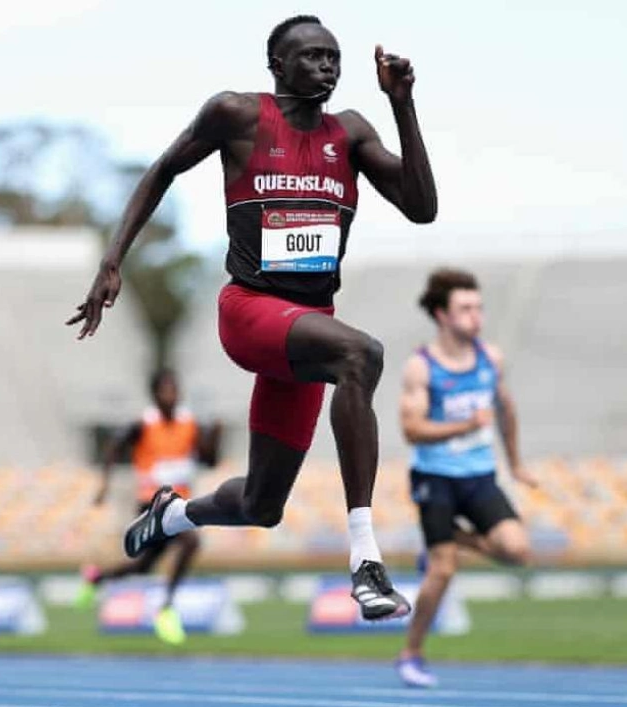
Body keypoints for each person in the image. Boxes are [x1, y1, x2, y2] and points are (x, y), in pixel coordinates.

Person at [67, 14, 436, 618]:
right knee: (361, 355)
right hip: (251, 312)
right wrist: (113, 261)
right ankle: (366, 561)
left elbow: (421, 207)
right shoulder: (236, 115)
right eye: (313, 56)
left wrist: (403, 106)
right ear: (278, 66)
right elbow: (162, 169)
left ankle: (173, 513)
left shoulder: (352, 133)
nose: (327, 67)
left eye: (334, 58)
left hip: (308, 325)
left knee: (263, 505)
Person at [395, 268, 534, 687]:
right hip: (434, 478)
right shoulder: (421, 368)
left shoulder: (491, 358)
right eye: (466, 308)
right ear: (441, 314)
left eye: (479, 307)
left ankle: (450, 537)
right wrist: (465, 425)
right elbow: (412, 430)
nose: (477, 316)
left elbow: (505, 410)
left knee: (517, 551)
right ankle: (411, 655)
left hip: (479, 475)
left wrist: (516, 464)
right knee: (443, 572)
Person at [75, 369, 220, 645]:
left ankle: (96, 578)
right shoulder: (143, 424)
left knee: (143, 567)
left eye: (174, 389)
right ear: (155, 395)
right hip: (150, 503)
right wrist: (104, 482)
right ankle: (166, 608)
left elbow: (209, 461)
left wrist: (215, 436)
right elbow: (114, 447)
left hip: (179, 503)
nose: (171, 395)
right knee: (191, 543)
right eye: (165, 390)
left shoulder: (189, 423)